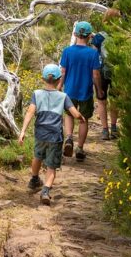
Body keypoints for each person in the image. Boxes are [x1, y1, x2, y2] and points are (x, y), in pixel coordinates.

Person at [18, 63, 86, 205]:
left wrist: (23, 131)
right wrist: (80, 117)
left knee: (37, 156)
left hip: (40, 134)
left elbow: (30, 112)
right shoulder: (63, 96)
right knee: (51, 166)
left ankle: (34, 179)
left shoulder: (36, 94)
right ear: (59, 80)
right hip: (55, 136)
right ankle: (45, 191)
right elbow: (73, 113)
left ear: (43, 79)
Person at [58, 20, 103, 161]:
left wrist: (59, 86)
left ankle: (69, 138)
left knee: (69, 115)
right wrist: (99, 90)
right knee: (83, 120)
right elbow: (95, 75)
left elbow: (63, 72)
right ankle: (80, 148)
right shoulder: (92, 54)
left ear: (74, 34)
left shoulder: (67, 51)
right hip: (86, 92)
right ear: (90, 36)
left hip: (69, 91)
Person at [92, 9, 121, 139]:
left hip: (101, 71)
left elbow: (93, 55)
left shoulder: (99, 36)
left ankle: (105, 130)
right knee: (114, 100)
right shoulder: (122, 33)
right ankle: (114, 127)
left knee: (101, 101)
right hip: (117, 71)